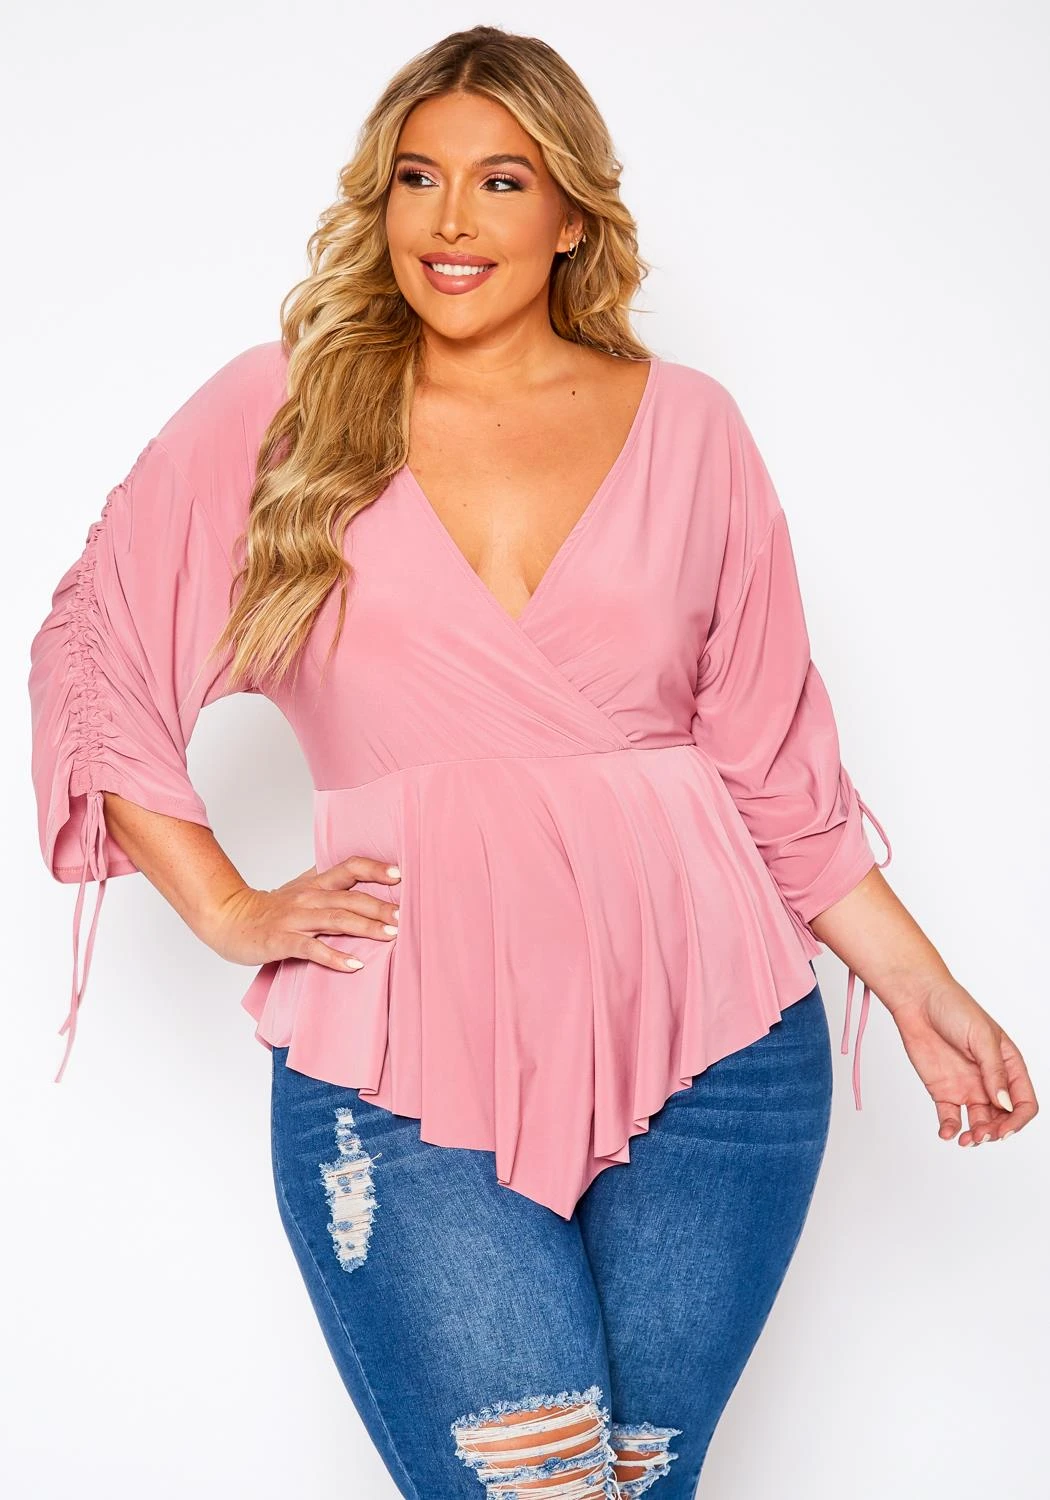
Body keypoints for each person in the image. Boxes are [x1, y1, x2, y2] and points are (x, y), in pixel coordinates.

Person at [27, 24, 1038, 1499]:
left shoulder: (691, 426)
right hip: (399, 1043)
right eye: (417, 178)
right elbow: (98, 646)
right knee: (536, 1485)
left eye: (501, 180)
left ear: (570, 215)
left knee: (640, 1484)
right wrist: (229, 908)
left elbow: (771, 763)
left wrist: (920, 986)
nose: (451, 220)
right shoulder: (285, 407)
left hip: (715, 1037)